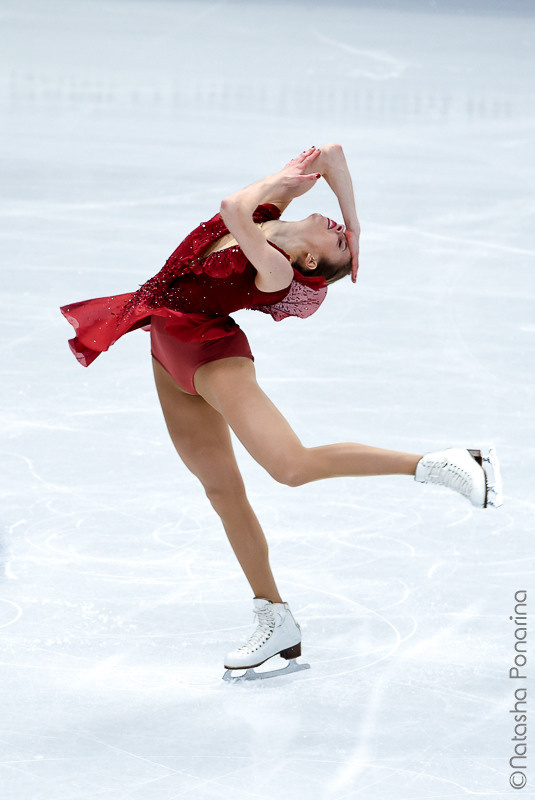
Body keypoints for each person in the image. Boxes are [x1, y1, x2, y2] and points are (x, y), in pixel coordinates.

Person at [60, 144, 502, 680]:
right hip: (165, 350)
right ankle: (274, 616)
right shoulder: (268, 219)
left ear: (308, 262)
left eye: (338, 238)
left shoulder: (270, 267)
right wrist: (356, 228)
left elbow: (229, 206)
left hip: (210, 352)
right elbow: (333, 153)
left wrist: (277, 181)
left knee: (290, 466)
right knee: (221, 490)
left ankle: (449, 462)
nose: (338, 226)